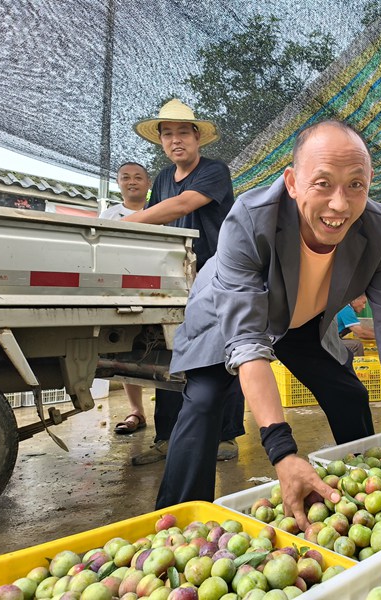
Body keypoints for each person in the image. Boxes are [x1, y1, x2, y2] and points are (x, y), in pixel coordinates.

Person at [156, 120, 381, 529]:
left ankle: (363, 486)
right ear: (291, 182)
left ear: (370, 182)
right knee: (205, 400)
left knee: (348, 393)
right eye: (322, 183)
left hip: (301, 317)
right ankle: (177, 523)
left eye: (356, 185)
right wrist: (282, 451)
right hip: (228, 313)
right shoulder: (251, 219)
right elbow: (248, 340)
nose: (339, 205)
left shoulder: (380, 229)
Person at [124, 98, 245, 465]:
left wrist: (124, 223)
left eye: (182, 133)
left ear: (197, 138)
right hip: (175, 278)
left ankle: (226, 436)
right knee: (171, 354)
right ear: (161, 141)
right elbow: (160, 221)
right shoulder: (161, 178)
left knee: (222, 354)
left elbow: (180, 207)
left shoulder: (214, 170)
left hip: (217, 274)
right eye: (168, 134)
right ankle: (167, 436)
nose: (176, 141)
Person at [99, 162, 151, 434]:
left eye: (138, 177)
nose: (132, 182)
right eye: (126, 177)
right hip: (120, 290)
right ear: (118, 183)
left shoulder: (160, 212)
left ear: (148, 183)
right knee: (126, 351)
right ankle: (136, 412)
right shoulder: (108, 216)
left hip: (157, 290)